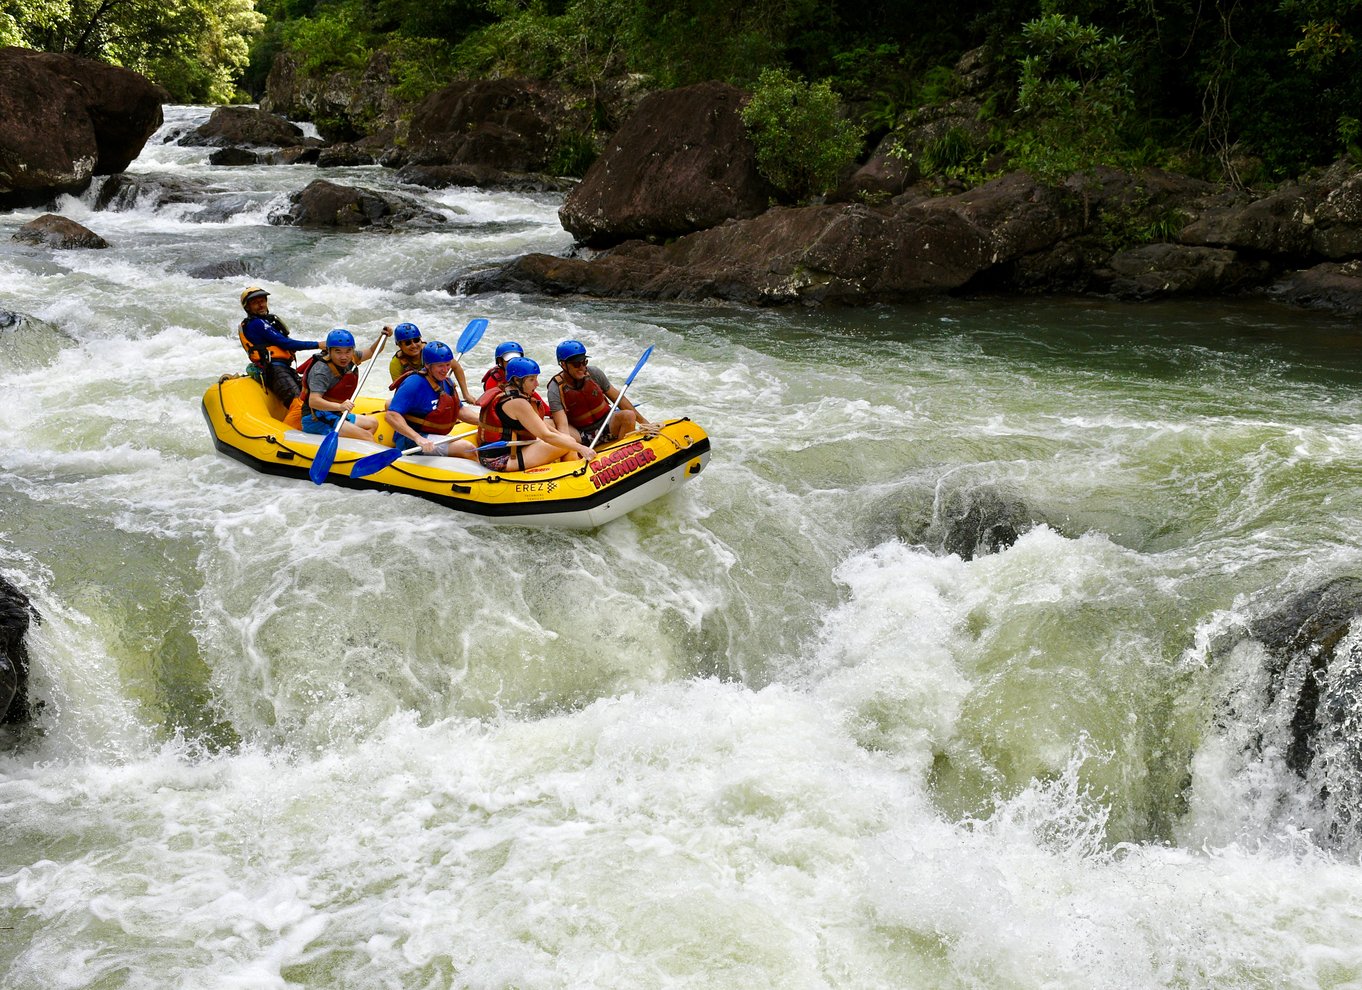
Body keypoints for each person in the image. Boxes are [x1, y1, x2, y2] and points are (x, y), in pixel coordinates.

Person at [477, 357, 595, 471]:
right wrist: (582, 448)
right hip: (499, 460)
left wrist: (563, 437)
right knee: (567, 444)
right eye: (532, 380)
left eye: (536, 378)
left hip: (501, 453)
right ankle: (574, 473)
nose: (537, 384)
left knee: (567, 441)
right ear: (517, 380)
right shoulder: (517, 403)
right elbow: (546, 436)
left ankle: (571, 470)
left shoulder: (508, 392)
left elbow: (540, 424)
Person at [547, 339, 655, 446]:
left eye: (584, 362)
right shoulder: (555, 388)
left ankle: (622, 452)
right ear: (563, 365)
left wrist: (645, 423)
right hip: (581, 433)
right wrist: (575, 447)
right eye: (576, 364)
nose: (582, 367)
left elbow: (620, 400)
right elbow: (562, 426)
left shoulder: (594, 373)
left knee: (629, 415)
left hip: (606, 424)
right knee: (556, 429)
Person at [385, 340, 480, 459]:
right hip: (411, 440)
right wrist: (417, 438)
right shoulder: (413, 383)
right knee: (467, 448)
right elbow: (391, 415)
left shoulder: (447, 382)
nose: (445, 370)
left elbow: (460, 411)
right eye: (440, 365)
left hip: (434, 436)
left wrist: (484, 422)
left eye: (448, 365)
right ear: (428, 365)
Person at [299, 326, 392, 442]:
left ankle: (349, 447)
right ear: (329, 350)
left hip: (334, 413)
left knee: (372, 423)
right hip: (316, 417)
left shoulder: (352, 357)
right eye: (338, 352)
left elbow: (373, 351)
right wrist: (340, 406)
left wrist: (383, 337)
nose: (344, 357)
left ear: (352, 350)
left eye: (348, 351)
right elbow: (313, 401)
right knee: (367, 437)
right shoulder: (321, 370)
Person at [237, 286, 322, 408]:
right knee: (298, 406)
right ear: (247, 307)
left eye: (262, 301)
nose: (260, 305)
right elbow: (286, 343)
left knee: (308, 402)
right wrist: (318, 344)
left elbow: (284, 341)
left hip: (282, 368)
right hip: (275, 371)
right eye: (255, 303)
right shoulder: (256, 324)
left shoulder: (266, 321)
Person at [389, 322, 474, 403]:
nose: (414, 345)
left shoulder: (432, 351)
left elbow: (456, 367)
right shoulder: (396, 363)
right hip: (415, 396)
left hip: (437, 389)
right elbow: (402, 390)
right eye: (408, 343)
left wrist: (466, 394)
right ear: (399, 345)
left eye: (416, 340)